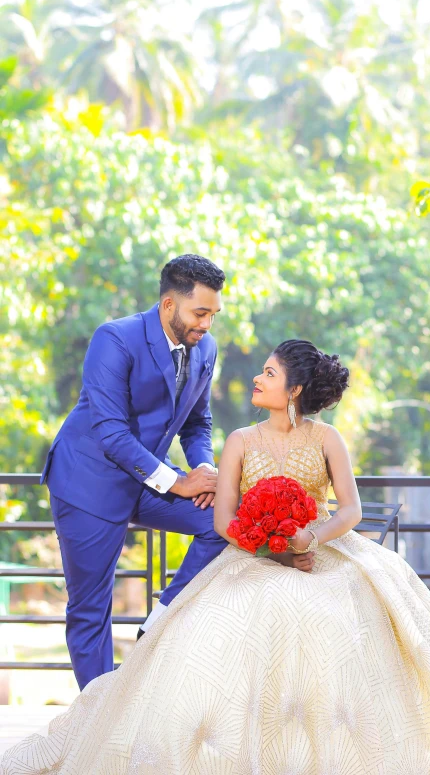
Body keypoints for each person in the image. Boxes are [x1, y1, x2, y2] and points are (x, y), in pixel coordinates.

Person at [3, 339, 430, 774]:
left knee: (337, 624)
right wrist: (271, 549)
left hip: (322, 552)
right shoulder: (239, 441)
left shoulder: (327, 438)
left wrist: (309, 539)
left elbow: (351, 510)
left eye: (269, 373)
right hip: (252, 555)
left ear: (293, 390)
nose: (257, 377)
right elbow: (224, 520)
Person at [40, 254, 230, 690]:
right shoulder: (114, 338)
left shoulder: (207, 348)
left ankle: (163, 616)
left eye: (213, 315)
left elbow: (197, 422)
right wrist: (178, 483)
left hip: (148, 477)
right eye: (199, 313)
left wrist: (203, 469)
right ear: (168, 306)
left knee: (223, 521)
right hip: (89, 481)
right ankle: (99, 718)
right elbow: (110, 432)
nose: (207, 325)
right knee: (90, 609)